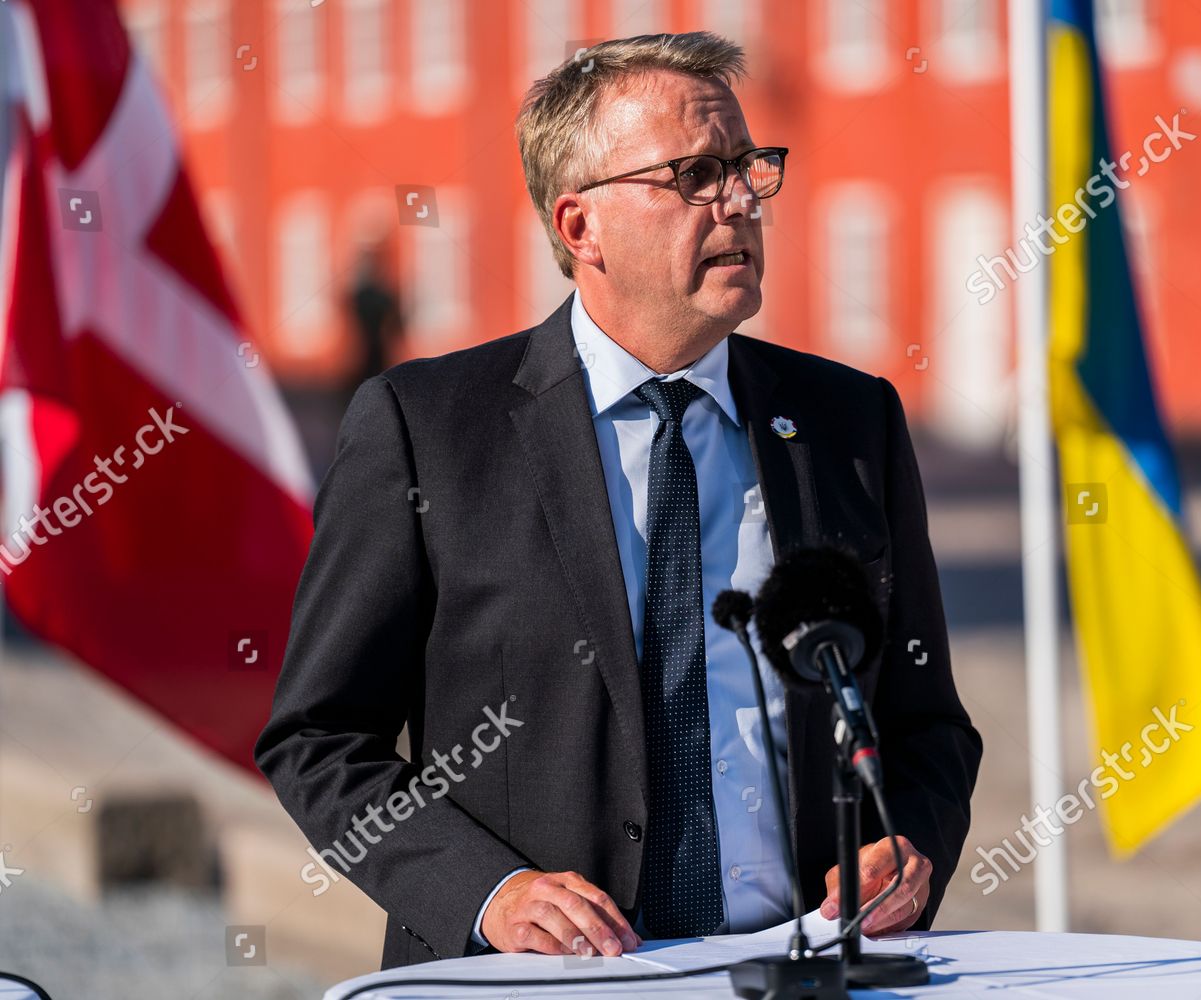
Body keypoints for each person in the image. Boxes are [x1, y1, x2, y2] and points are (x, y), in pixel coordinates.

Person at [255, 31, 981, 970]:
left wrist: (909, 842)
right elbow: (319, 739)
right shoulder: (425, 428)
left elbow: (926, 723)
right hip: (539, 984)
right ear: (579, 226)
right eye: (695, 174)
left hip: (801, 970)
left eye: (751, 169)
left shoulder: (850, 421)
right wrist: (487, 892)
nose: (738, 202)